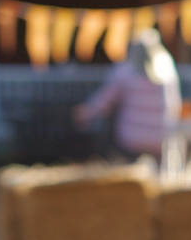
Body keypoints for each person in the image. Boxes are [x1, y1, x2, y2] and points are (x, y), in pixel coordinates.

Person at [73, 28, 181, 159]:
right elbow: (175, 105)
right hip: (161, 139)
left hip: (131, 141)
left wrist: (85, 113)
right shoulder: (167, 70)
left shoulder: (125, 71)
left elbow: (104, 103)